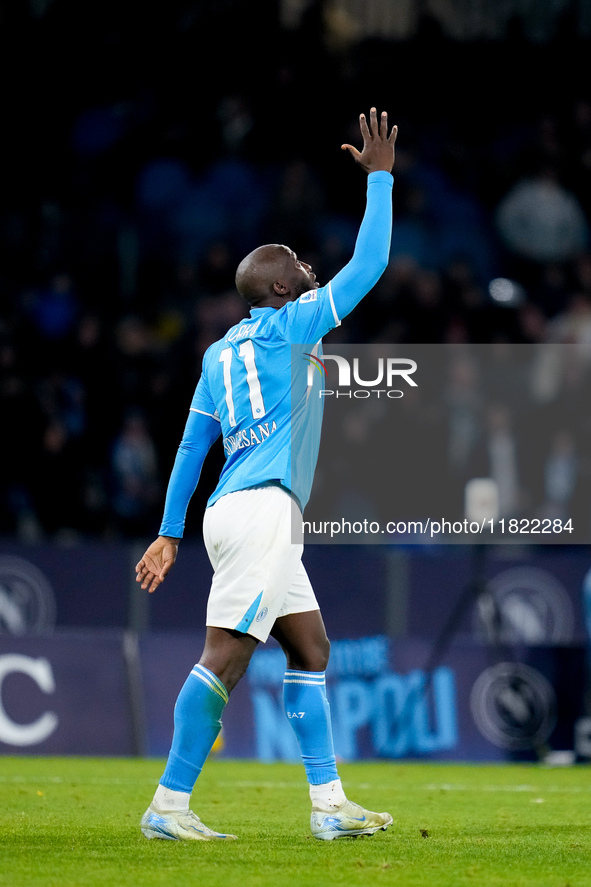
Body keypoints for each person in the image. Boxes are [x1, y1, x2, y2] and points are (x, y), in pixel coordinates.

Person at [136, 108, 397, 842]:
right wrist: (378, 179)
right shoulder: (293, 326)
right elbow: (369, 265)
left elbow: (191, 449)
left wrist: (168, 530)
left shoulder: (219, 354)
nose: (313, 273)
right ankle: (169, 804)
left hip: (233, 511)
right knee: (225, 657)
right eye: (303, 270)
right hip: (262, 513)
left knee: (309, 647)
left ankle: (328, 806)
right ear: (282, 290)